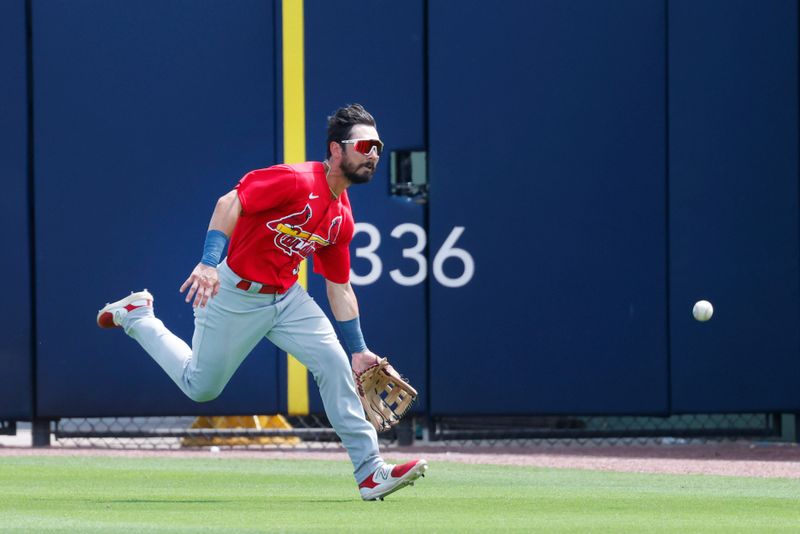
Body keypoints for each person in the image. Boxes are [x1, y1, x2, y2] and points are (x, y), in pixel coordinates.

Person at [96, 104, 427, 501]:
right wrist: (207, 263)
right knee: (200, 388)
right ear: (336, 150)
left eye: (378, 146)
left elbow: (339, 288)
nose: (373, 153)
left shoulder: (343, 217)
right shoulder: (295, 179)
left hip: (287, 298)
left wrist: (359, 350)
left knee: (335, 363)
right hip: (235, 292)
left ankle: (370, 471)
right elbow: (229, 203)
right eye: (364, 145)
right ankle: (139, 317)